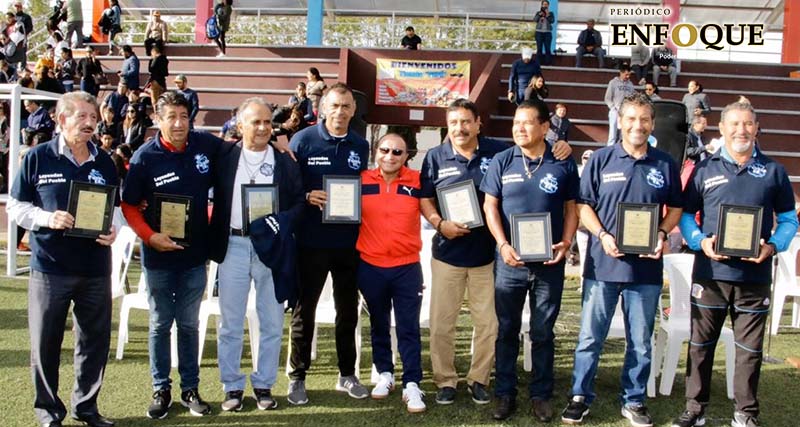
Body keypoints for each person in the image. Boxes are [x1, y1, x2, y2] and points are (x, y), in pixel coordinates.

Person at [561, 93, 683, 427]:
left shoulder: (665, 163)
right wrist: (602, 235)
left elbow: (676, 207)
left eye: (644, 119)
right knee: (590, 338)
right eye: (631, 118)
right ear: (620, 120)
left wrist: (660, 233)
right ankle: (579, 396)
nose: (637, 125)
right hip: (603, 266)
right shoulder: (601, 159)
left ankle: (634, 400)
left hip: (645, 271)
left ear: (653, 124)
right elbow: (583, 206)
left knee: (640, 343)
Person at [673, 102, 798, 427]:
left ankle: (745, 413)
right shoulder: (705, 169)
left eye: (747, 124)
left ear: (757, 128)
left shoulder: (774, 171)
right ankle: (695, 409)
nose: (741, 130)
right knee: (700, 346)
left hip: (755, 276)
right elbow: (686, 217)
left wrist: (773, 246)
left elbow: (788, 220)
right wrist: (700, 241)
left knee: (749, 350)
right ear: (722, 129)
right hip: (710, 274)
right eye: (735, 124)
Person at [7, 91, 120, 427]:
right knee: (46, 343)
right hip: (50, 268)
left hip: (96, 268)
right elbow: (15, 207)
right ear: (61, 119)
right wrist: (46, 218)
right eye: (82, 117)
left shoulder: (105, 161)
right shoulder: (37, 157)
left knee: (94, 342)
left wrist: (115, 231)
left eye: (94, 118)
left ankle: (86, 407)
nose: (90, 124)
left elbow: (115, 209)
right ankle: (48, 411)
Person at [121, 91, 223, 419]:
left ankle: (190, 389)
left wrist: (279, 147)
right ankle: (161, 388)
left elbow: (240, 152)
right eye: (171, 117)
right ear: (158, 119)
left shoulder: (206, 145)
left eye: (184, 116)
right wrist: (150, 237)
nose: (178, 123)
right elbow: (129, 205)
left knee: (190, 325)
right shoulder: (144, 157)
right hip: (159, 257)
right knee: (160, 324)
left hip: (195, 257)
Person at [481, 101, 579, 422]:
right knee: (506, 329)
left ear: (545, 126)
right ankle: (505, 393)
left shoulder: (562, 161)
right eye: (515, 123)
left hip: (549, 262)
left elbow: (571, 208)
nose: (519, 128)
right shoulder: (502, 160)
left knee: (543, 331)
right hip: (509, 261)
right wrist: (503, 244)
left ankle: (541, 394)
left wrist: (566, 242)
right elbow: (490, 207)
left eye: (527, 123)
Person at [208, 97, 304, 412]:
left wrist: (282, 221)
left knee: (272, 322)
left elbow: (298, 204)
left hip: (272, 249)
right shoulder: (223, 156)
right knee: (231, 323)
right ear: (240, 125)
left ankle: (264, 384)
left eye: (267, 122)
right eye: (255, 122)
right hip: (233, 245)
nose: (263, 128)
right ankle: (232, 387)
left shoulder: (284, 162)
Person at [286, 83, 370, 405]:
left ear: (353, 110)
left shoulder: (360, 146)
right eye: (334, 106)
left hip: (348, 243)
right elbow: (286, 188)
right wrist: (306, 196)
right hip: (310, 242)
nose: (340, 112)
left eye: (346, 106)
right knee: (303, 311)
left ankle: (347, 374)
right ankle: (297, 377)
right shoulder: (303, 141)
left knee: (347, 311)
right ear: (323, 109)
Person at [357, 133, 426, 413]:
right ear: (376, 151)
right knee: (379, 324)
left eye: (397, 152)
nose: (390, 156)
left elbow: (437, 206)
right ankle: (385, 373)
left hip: (407, 266)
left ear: (406, 155)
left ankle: (412, 382)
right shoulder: (361, 180)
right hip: (371, 265)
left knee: (409, 327)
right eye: (384, 150)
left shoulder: (418, 181)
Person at [604, 63, 635, 145]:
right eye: (626, 74)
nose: (628, 76)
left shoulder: (630, 85)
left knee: (623, 135)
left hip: (625, 112)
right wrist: (613, 108)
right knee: (612, 135)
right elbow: (607, 98)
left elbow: (632, 98)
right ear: (621, 72)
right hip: (615, 111)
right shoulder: (613, 83)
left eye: (629, 75)